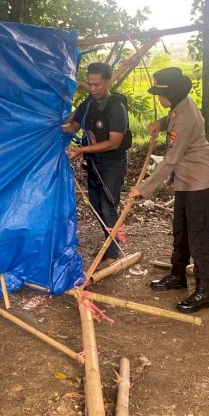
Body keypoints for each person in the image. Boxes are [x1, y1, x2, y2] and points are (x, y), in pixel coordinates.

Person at [128, 67, 209, 313]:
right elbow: (173, 117)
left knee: (199, 238)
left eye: (161, 95)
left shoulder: (186, 120)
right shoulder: (180, 104)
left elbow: (170, 161)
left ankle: (203, 292)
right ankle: (178, 276)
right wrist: (161, 121)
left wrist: (143, 189)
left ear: (174, 92)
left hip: (201, 184)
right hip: (186, 183)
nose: (159, 99)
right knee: (180, 232)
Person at [63, 62, 131, 265]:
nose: (93, 89)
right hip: (93, 164)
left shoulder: (116, 107)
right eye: (90, 84)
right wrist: (49, 127)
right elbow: (73, 127)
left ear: (108, 81)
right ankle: (111, 245)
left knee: (108, 207)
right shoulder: (89, 103)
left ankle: (113, 252)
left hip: (112, 164)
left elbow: (114, 142)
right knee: (96, 205)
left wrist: (81, 150)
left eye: (97, 85)